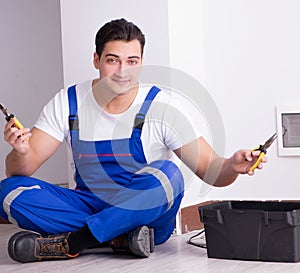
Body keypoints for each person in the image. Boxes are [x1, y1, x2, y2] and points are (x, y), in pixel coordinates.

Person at [0, 18, 266, 263]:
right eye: (112, 60)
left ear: (141, 62)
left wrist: (232, 165)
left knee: (168, 175)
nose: (122, 72)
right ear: (96, 59)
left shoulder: (161, 105)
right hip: (91, 204)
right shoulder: (68, 101)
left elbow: (212, 171)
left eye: (132, 61)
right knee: (7, 191)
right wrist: (21, 151)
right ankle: (119, 238)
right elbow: (18, 172)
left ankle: (77, 241)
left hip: (147, 215)